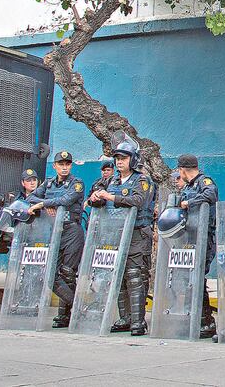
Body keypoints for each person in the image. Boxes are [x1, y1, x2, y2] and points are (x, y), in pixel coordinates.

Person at [89, 139, 156, 336]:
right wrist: (95, 199)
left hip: (137, 234)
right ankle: (125, 317)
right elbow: (99, 199)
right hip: (115, 233)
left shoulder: (142, 180)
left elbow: (138, 200)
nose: (119, 162)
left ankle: (138, 321)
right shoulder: (112, 181)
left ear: (133, 159)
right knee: (118, 277)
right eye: (117, 158)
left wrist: (110, 197)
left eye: (123, 158)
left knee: (135, 276)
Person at [26, 150, 85, 328]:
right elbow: (31, 197)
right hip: (53, 230)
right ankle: (78, 306)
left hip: (72, 231)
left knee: (68, 273)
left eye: (67, 164)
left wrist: (45, 203)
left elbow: (67, 200)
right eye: (61, 164)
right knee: (50, 272)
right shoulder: (49, 183)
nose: (64, 167)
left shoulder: (77, 183)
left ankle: (65, 315)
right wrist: (46, 206)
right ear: (55, 166)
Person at [175, 154, 219, 339]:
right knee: (190, 280)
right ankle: (196, 318)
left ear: (182, 169)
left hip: (204, 237)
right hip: (190, 237)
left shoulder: (204, 181)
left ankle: (206, 321)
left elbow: (211, 194)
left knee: (198, 278)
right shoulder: (189, 185)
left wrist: (189, 202)